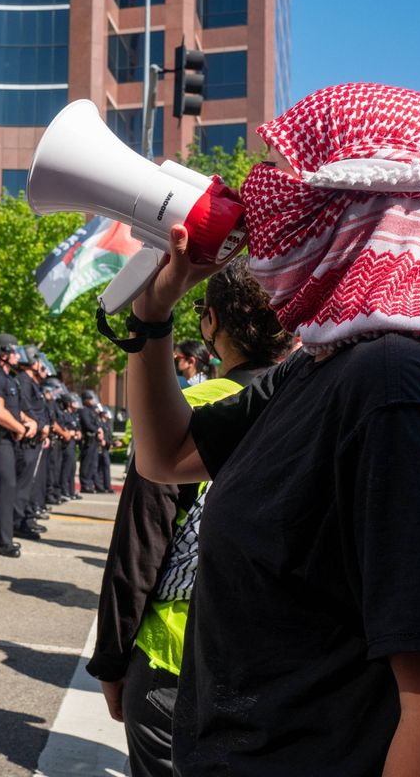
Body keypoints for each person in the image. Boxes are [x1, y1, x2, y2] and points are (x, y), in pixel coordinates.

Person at [124, 84, 420, 775]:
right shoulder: (321, 368)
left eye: (284, 177)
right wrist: (152, 314)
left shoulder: (395, 386)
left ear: (353, 201)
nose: (260, 196)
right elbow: (167, 454)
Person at [89, 261, 292, 777]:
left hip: (174, 660)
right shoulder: (313, 403)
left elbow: (140, 547)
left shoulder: (183, 416)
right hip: (282, 668)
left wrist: (111, 658)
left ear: (210, 322)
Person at [0, 333, 33, 557]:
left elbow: (13, 409)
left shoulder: (9, 378)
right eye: (13, 352)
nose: (17, 356)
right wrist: (19, 428)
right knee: (7, 487)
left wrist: (29, 421)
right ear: (3, 353)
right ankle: (3, 541)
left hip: (8, 439)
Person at [13, 346, 48, 540]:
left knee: (29, 483)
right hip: (28, 439)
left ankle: (25, 518)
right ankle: (18, 522)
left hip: (35, 438)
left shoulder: (30, 382)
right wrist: (41, 425)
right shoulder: (23, 381)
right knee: (23, 485)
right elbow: (26, 407)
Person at [77, 390, 102, 494]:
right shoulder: (84, 410)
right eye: (91, 398)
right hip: (88, 440)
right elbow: (87, 424)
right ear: (86, 399)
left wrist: (99, 430)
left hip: (94, 440)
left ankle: (89, 483)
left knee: (93, 464)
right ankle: (85, 485)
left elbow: (97, 423)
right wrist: (97, 430)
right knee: (86, 464)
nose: (93, 400)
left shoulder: (92, 410)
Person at [96, 405, 113, 493]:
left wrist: (111, 444)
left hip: (106, 448)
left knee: (106, 467)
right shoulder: (100, 423)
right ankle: (101, 486)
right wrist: (102, 441)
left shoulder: (107, 424)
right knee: (101, 467)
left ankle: (107, 486)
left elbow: (108, 437)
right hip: (101, 448)